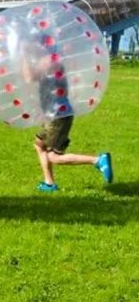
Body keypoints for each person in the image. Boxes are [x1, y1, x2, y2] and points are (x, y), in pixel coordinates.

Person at [25, 40, 112, 192]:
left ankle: (98, 160)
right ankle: (49, 183)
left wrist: (24, 54)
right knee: (39, 145)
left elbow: (29, 77)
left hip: (58, 115)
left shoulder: (50, 61)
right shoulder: (51, 59)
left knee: (54, 156)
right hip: (54, 113)